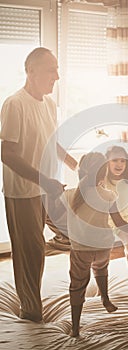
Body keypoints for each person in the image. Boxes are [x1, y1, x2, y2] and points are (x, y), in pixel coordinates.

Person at [0, 47, 77, 322]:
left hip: (48, 188)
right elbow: (6, 153)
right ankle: (30, 311)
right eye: (51, 69)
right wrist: (45, 180)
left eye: (57, 69)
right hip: (22, 192)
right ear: (31, 71)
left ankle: (34, 295)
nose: (57, 75)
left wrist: (75, 164)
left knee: (74, 233)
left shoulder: (49, 104)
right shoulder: (14, 104)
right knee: (30, 251)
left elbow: (52, 139)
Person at [48, 152, 128, 337]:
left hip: (81, 250)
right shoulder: (109, 195)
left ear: (81, 172)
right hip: (103, 248)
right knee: (101, 270)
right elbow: (119, 221)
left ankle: (75, 328)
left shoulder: (69, 195)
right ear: (103, 173)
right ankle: (105, 298)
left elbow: (53, 214)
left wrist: (54, 193)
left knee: (77, 285)